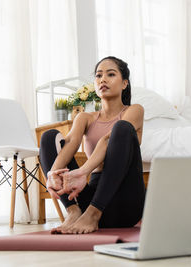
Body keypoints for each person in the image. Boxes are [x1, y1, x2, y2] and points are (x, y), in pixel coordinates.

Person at [39, 56, 145, 234]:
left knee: (122, 128)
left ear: (124, 83)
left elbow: (107, 140)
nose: (102, 79)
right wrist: (52, 174)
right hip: (90, 199)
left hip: (126, 202)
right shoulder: (85, 118)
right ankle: (73, 212)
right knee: (49, 137)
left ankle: (93, 215)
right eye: (98, 75)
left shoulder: (134, 111)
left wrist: (82, 172)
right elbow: (71, 143)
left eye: (111, 74)